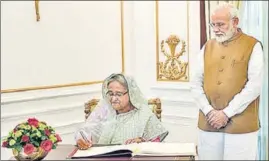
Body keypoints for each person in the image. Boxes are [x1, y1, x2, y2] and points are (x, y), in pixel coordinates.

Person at [191, 3, 264, 160]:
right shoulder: (207, 47)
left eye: (221, 25)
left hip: (241, 127)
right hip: (208, 123)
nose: (216, 29)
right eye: (213, 24)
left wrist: (226, 113)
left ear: (235, 22)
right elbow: (195, 83)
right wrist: (209, 111)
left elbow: (254, 86)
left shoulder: (253, 45)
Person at [75, 73, 169, 150]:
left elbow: (157, 145)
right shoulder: (104, 108)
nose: (113, 98)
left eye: (119, 94)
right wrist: (81, 140)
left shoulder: (144, 113)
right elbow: (85, 131)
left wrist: (142, 142)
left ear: (131, 93)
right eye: (110, 94)